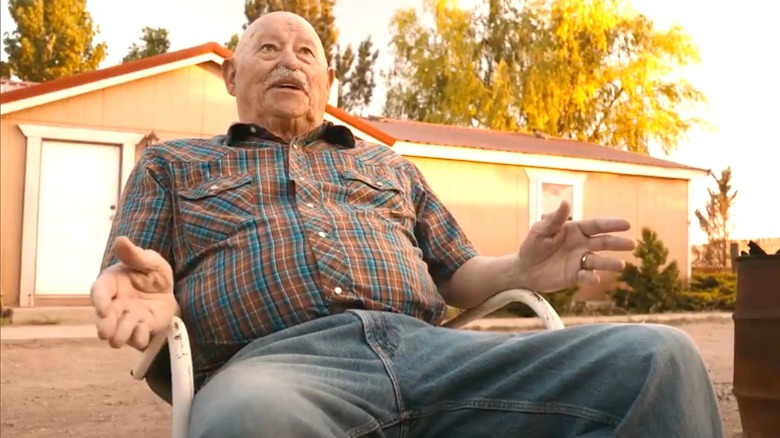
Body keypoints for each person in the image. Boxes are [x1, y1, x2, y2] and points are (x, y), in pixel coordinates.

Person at [90, 11, 723, 438]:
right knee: (248, 418)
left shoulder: (387, 165)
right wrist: (141, 289)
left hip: (437, 354)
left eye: (307, 51)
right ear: (231, 75)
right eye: (269, 48)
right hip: (276, 370)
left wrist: (522, 269)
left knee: (659, 356)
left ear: (327, 80)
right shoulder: (173, 164)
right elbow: (132, 272)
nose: (290, 61)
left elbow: (458, 272)